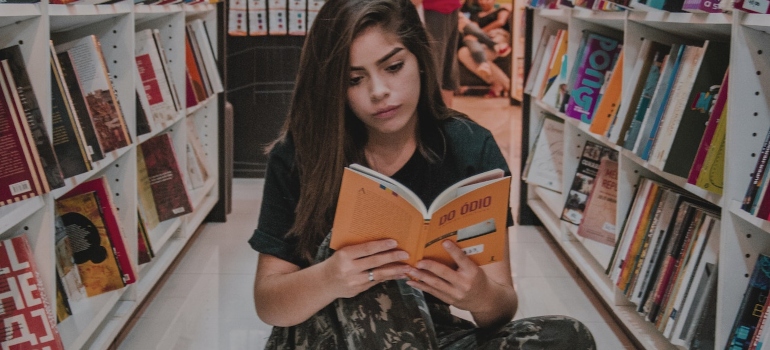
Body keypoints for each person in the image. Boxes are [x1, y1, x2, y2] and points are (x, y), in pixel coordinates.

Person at [249, 0, 597, 348]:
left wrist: (477, 295)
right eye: (354, 79)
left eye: (394, 66)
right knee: (377, 269)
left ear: (420, 59)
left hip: (426, 335)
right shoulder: (299, 154)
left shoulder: (471, 147)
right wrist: (330, 278)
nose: (379, 91)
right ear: (333, 87)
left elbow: (501, 306)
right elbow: (269, 303)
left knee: (568, 337)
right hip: (325, 340)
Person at [457, 0, 512, 97]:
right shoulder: (475, 15)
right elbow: (473, 28)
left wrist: (480, 33)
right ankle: (501, 82)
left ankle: (506, 84)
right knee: (463, 52)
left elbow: (500, 22)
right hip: (481, 45)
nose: (483, 2)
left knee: (470, 42)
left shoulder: (501, 10)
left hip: (498, 37)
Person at [420, 0, 462, 107]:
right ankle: (436, 117)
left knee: (447, 68)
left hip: (450, 7)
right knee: (435, 68)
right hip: (432, 8)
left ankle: (445, 118)